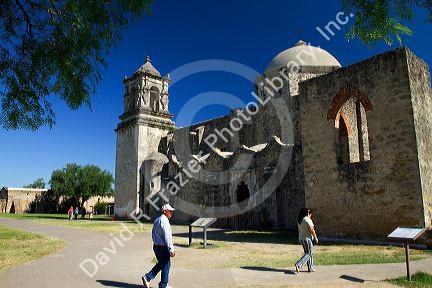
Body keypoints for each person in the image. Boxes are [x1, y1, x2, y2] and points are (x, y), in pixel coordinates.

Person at [142, 204, 176, 288]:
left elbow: (153, 233)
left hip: (156, 246)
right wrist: (171, 249)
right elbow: (167, 237)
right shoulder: (164, 221)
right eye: (170, 211)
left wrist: (156, 243)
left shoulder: (157, 220)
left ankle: (147, 277)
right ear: (165, 211)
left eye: (172, 211)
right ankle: (163, 285)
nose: (171, 213)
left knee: (161, 264)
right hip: (163, 248)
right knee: (166, 265)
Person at [295, 208, 318, 273]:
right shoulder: (307, 219)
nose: (310, 214)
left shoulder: (300, 220)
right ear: (306, 213)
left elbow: (299, 230)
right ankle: (298, 264)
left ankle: (310, 267)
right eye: (308, 212)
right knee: (309, 253)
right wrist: (315, 238)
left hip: (301, 238)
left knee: (307, 253)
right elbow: (312, 229)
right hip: (307, 239)